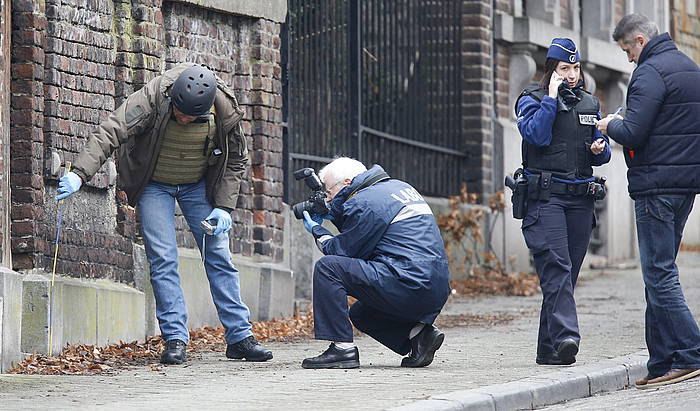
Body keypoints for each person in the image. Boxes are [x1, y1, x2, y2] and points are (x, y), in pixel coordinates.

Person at [55, 63, 273, 365]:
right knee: (163, 259)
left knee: (219, 256)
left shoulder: (225, 111)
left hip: (198, 186)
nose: (182, 119)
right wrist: (80, 173)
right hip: (155, 185)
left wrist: (224, 207)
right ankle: (175, 339)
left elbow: (236, 160)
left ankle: (240, 338)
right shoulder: (155, 96)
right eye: (179, 113)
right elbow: (112, 129)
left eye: (190, 116)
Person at [596, 14, 700, 388]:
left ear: (639, 40)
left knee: (658, 274)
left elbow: (636, 133)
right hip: (685, 186)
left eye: (626, 49)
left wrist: (611, 125)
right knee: (659, 273)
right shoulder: (690, 67)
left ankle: (690, 352)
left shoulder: (650, 72)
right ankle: (661, 361)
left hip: (656, 186)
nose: (627, 59)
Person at [299, 157, 450, 369]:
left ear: (347, 182)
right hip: (432, 287)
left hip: (407, 282)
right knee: (362, 314)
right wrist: (336, 214)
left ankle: (343, 350)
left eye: (329, 191)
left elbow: (344, 252)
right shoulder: (396, 187)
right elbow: (369, 238)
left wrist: (318, 230)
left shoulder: (365, 202)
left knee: (328, 268)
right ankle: (420, 337)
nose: (328, 197)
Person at [514, 38, 611, 366]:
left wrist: (600, 147)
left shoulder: (589, 104)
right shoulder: (533, 100)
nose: (572, 74)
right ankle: (568, 335)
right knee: (556, 268)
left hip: (581, 201)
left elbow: (603, 150)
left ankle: (550, 349)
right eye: (564, 68)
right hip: (546, 199)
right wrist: (552, 100)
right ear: (551, 70)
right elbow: (536, 135)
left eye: (576, 68)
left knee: (565, 278)